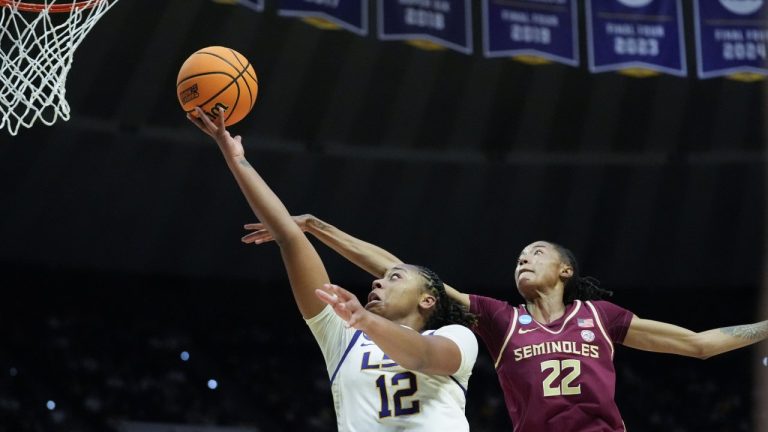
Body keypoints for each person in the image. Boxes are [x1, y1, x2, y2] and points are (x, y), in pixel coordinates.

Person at [243, 214, 768, 432]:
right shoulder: (498, 320)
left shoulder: (601, 317)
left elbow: (700, 345)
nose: (523, 259)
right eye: (518, 255)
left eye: (536, 253)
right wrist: (313, 228)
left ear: (566, 269)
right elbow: (400, 271)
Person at [187, 108, 479, 432]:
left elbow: (423, 357)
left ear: (428, 300)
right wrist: (235, 158)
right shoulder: (344, 336)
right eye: (381, 277)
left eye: (394, 276)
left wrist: (364, 319)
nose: (378, 282)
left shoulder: (456, 336)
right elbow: (288, 236)